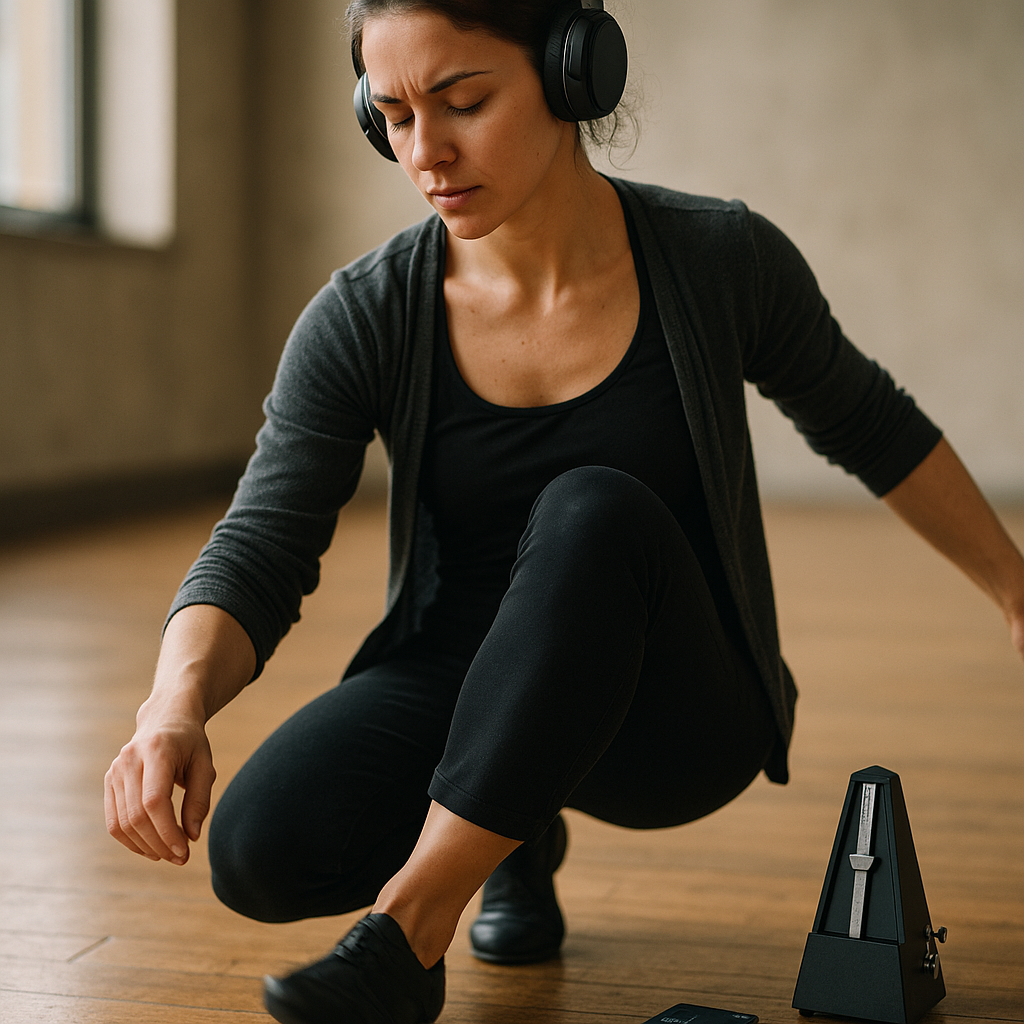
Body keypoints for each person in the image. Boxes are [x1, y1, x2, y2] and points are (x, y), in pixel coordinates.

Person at [104, 2, 1024, 1023]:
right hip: (463, 685)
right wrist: (171, 705)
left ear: (571, 73)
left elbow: (868, 422)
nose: (427, 152)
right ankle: (509, 834)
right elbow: (263, 539)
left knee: (588, 509)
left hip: (673, 712)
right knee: (260, 848)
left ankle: (408, 931)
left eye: (463, 102)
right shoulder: (366, 312)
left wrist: (1016, 590)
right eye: (396, 116)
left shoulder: (716, 259)